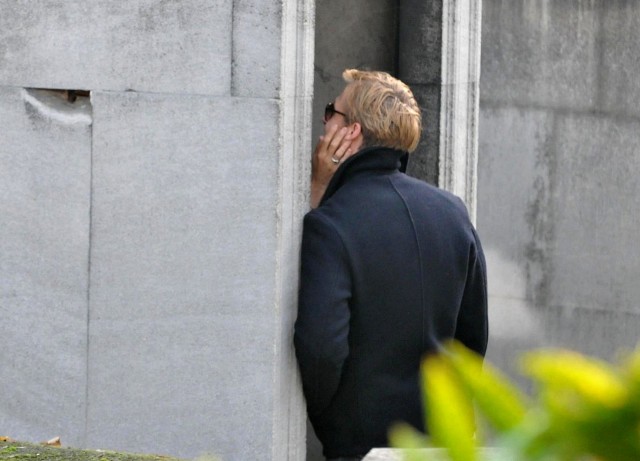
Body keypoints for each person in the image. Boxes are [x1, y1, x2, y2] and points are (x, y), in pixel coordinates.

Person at [294, 69, 488, 461]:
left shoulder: (331, 224)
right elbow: (472, 340)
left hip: (360, 446)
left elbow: (320, 351)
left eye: (332, 111)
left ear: (351, 132)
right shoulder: (452, 213)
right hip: (441, 441)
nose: (324, 122)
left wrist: (329, 419)